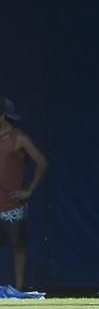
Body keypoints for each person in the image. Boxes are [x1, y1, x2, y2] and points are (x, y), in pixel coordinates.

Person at [0, 97, 48, 291]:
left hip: (13, 205)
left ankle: (18, 290)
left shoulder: (19, 138)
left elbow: (42, 162)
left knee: (18, 247)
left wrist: (29, 190)